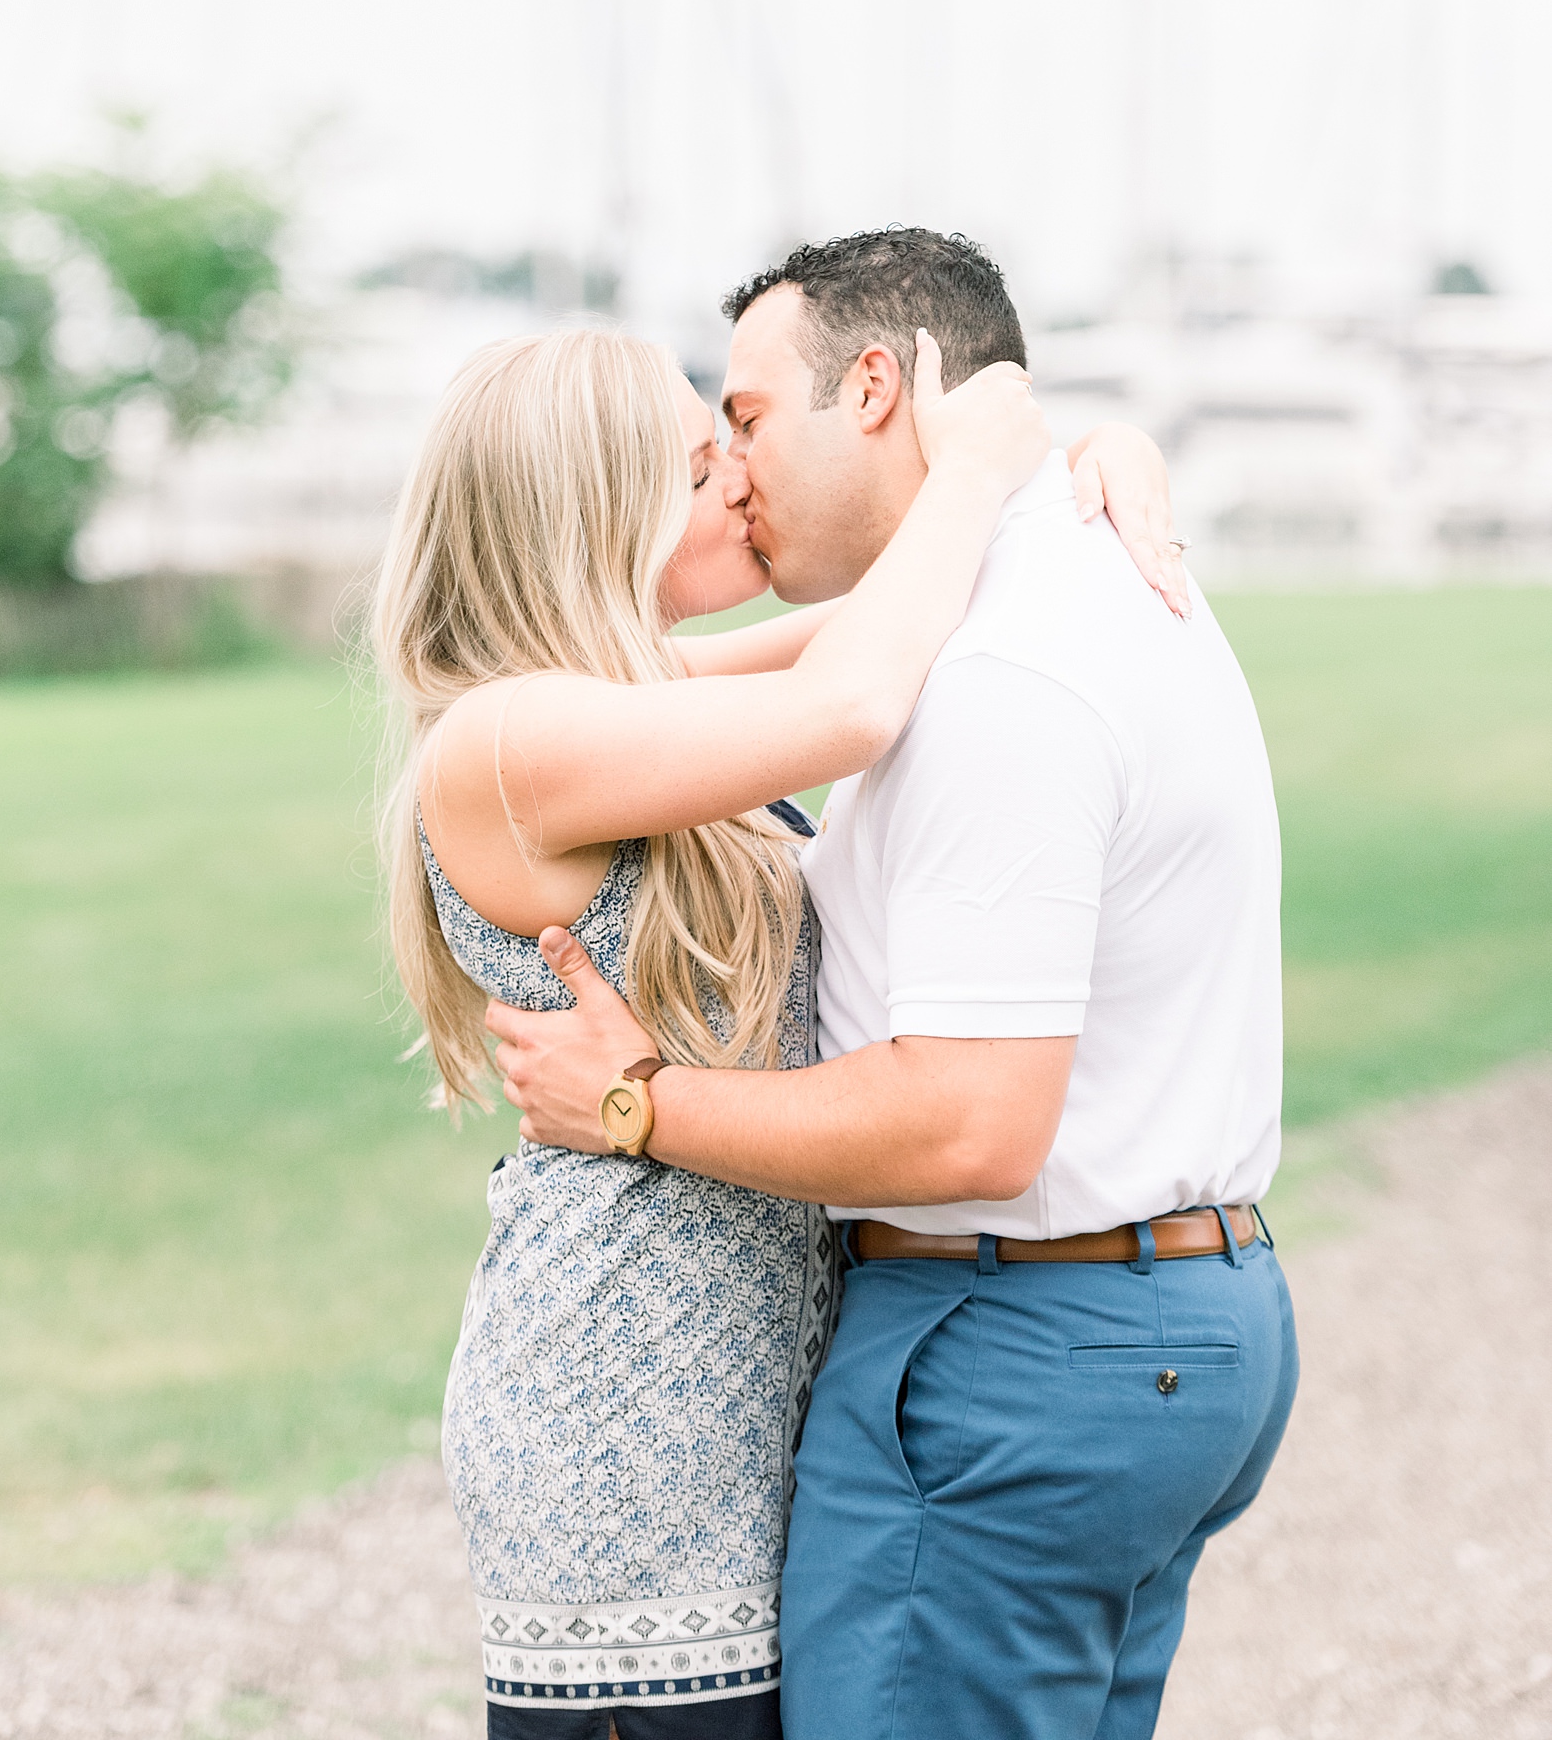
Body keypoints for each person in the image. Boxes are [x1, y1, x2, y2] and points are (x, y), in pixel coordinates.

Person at [491, 226, 1299, 1740]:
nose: (734, 473)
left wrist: (638, 1104)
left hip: (1014, 1352)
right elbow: (795, 682)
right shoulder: (1082, 584)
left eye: (742, 420)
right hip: (1174, 1312)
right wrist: (1047, 461)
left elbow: (965, 1128)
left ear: (873, 388)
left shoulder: (995, 672)